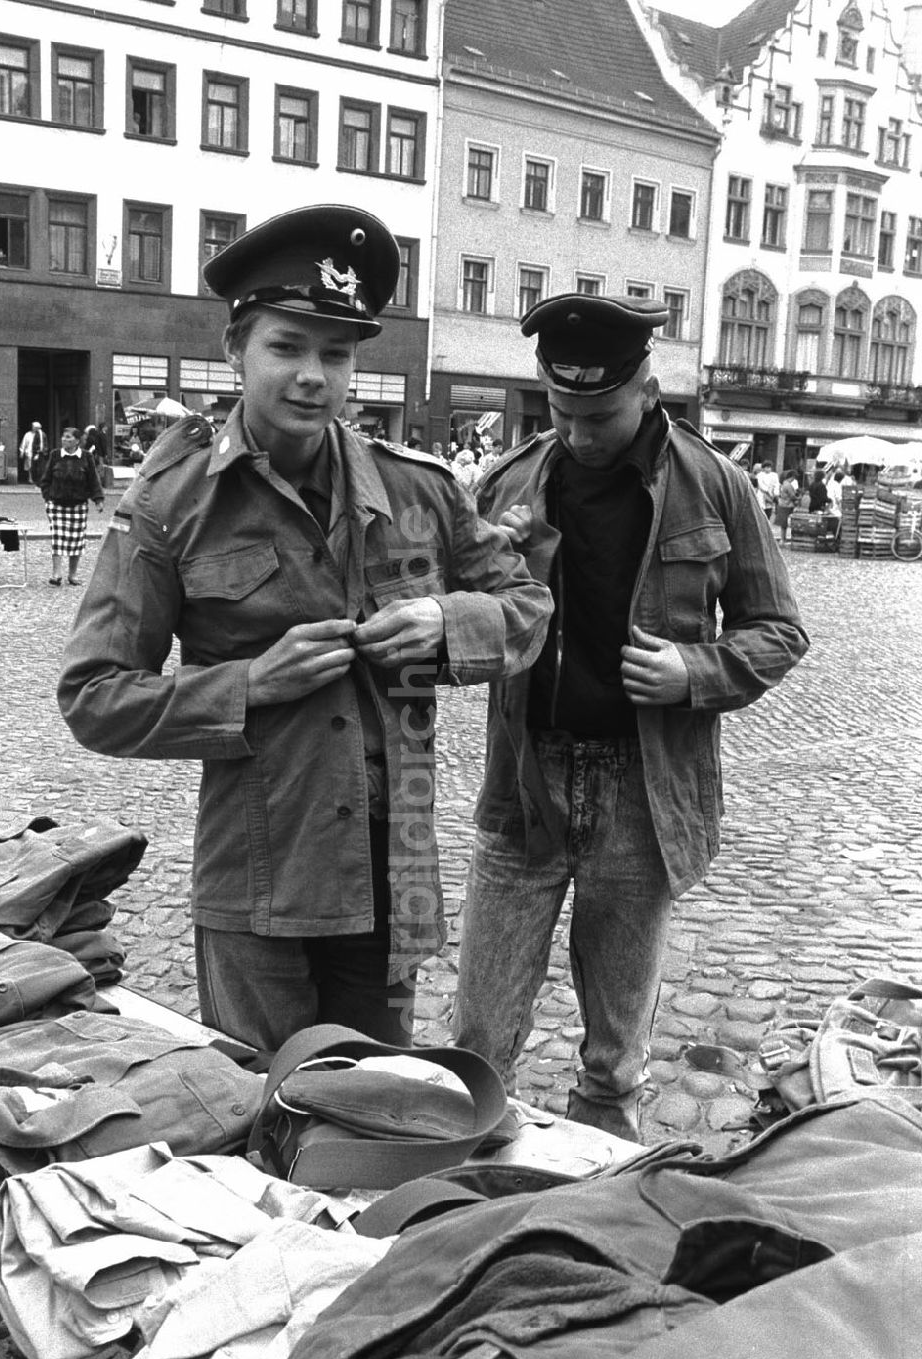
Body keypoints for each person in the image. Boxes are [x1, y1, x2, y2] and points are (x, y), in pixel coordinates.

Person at [57, 203, 551, 1057]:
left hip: (396, 870)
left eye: (336, 352)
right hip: (259, 878)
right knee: (261, 1117)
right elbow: (93, 696)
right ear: (236, 350)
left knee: (377, 1112)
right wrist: (251, 683)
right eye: (287, 347)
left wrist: (446, 619)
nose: (313, 376)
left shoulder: (419, 490)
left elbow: (528, 610)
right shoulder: (171, 507)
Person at [451, 293, 809, 1141]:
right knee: (477, 1040)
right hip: (523, 787)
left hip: (642, 797)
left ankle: (598, 1205)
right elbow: (453, 618)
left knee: (614, 1059)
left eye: (598, 413)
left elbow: (780, 630)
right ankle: (466, 1205)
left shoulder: (715, 486)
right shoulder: (508, 483)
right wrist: (481, 584)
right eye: (560, 410)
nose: (576, 431)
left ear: (647, 388)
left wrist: (696, 668)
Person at [39, 426, 105, 587]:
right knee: (58, 539)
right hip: (57, 505)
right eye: (63, 436)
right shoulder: (55, 455)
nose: (64, 440)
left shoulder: (86, 457)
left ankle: (73, 575)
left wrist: (98, 500)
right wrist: (48, 498)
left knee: (76, 540)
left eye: (68, 437)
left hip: (78, 505)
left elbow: (93, 480)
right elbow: (45, 480)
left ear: (76, 441)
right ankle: (56, 574)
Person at [776, 468, 799, 544]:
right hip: (787, 505)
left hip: (782, 504)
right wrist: (799, 498)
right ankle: (783, 539)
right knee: (786, 523)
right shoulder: (788, 485)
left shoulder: (783, 484)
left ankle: (783, 539)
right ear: (791, 477)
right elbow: (792, 496)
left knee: (783, 524)